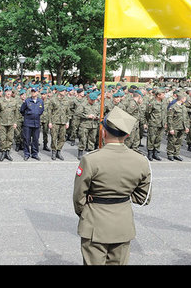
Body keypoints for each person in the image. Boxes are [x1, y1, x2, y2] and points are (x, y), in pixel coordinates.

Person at [72, 106, 152, 265]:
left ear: (103, 132)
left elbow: (78, 197)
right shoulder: (141, 161)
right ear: (127, 135)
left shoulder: (91, 159)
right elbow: (144, 198)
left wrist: (86, 212)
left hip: (94, 222)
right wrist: (123, 195)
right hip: (122, 223)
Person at [20, 87, 44, 160]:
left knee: (35, 139)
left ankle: (34, 153)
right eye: (32, 91)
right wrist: (28, 116)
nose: (33, 93)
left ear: (37, 92)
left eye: (34, 91)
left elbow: (41, 110)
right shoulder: (27, 101)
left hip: (36, 123)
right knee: (27, 139)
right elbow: (22, 110)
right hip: (28, 123)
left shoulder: (40, 101)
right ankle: (27, 153)